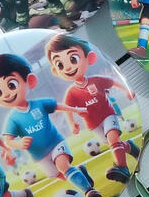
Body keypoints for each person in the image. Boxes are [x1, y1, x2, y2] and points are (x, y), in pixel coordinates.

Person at [0, 52, 100, 197]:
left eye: (11, 85)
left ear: (29, 81)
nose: (7, 94)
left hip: (55, 143)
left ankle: (89, 191)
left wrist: (76, 110)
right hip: (38, 155)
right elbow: (8, 140)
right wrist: (18, 144)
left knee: (63, 166)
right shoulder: (13, 119)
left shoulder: (39, 104)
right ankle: (80, 171)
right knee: (56, 174)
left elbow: (57, 106)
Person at [46, 33, 139, 183]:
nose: (68, 67)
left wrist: (126, 90)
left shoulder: (96, 80)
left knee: (113, 138)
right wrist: (72, 123)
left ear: (89, 58)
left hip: (108, 114)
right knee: (113, 143)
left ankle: (122, 167)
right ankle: (130, 147)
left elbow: (113, 82)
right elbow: (68, 109)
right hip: (93, 124)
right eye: (61, 65)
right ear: (56, 71)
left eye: (73, 59)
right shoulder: (71, 92)